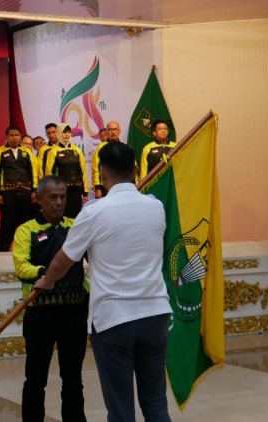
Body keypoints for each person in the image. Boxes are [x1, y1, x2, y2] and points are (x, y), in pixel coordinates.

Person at [38, 142, 173, 422]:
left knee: (120, 409)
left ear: (101, 174)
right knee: (155, 403)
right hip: (155, 315)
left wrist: (47, 281)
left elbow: (63, 260)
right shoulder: (156, 207)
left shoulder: (93, 212)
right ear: (135, 170)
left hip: (115, 320)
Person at [12, 175, 88, 422]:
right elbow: (21, 266)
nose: (59, 202)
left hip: (74, 311)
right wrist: (48, 273)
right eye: (53, 197)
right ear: (38, 199)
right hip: (40, 313)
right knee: (35, 378)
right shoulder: (26, 230)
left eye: (63, 197)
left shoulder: (76, 227)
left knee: (73, 378)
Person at [0, 126, 37, 252]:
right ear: (6, 137)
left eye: (17, 135)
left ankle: (25, 249)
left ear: (20, 137)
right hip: (7, 194)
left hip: (25, 193)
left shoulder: (27, 153)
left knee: (25, 223)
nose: (14, 137)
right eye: (11, 135)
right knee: (7, 223)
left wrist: (34, 191)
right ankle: (3, 249)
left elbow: (33, 173)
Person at [43, 124, 88, 218]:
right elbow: (49, 173)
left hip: (76, 190)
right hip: (61, 190)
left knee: (76, 216)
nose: (67, 134)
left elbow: (83, 172)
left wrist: (85, 193)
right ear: (59, 133)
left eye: (69, 132)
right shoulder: (53, 151)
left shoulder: (77, 150)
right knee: (61, 215)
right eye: (64, 132)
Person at [92, 121, 121, 199]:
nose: (113, 132)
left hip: (121, 186)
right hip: (105, 186)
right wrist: (97, 188)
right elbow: (96, 168)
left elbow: (131, 167)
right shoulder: (101, 148)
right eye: (110, 130)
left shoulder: (125, 147)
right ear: (107, 132)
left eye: (115, 129)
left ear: (119, 131)